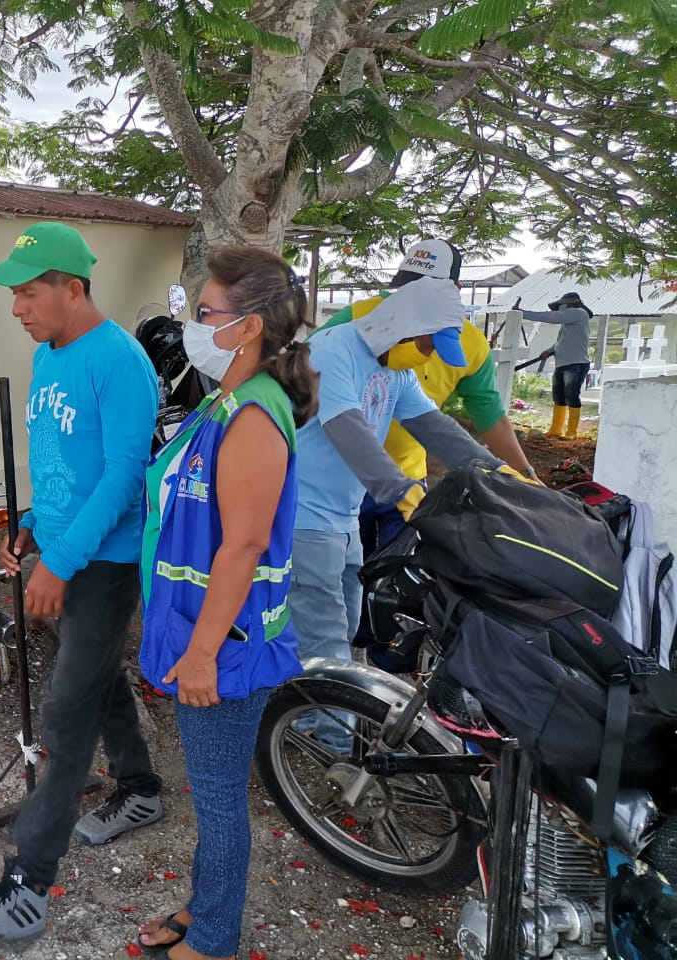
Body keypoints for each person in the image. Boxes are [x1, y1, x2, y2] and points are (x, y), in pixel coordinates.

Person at [0, 223, 163, 946]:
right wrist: (33, 524)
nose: (17, 308)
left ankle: (27, 885)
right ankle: (141, 787)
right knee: (97, 678)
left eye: (29, 293)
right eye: (13, 294)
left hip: (103, 561)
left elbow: (125, 475)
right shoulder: (47, 356)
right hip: (63, 545)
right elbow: (62, 458)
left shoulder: (120, 361)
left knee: (66, 712)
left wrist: (62, 562)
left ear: (73, 288)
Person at [135, 247, 318, 960]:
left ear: (248, 327)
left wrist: (202, 653)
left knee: (217, 802)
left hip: (224, 643)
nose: (193, 325)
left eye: (204, 312)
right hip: (199, 628)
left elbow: (242, 546)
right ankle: (204, 905)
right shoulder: (226, 399)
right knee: (211, 794)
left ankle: (213, 939)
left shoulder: (253, 417)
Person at [293, 276, 529, 749]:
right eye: (426, 346)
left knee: (344, 621)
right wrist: (402, 491)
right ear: (399, 326)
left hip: (343, 513)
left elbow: (435, 427)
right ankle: (335, 745)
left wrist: (503, 475)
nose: (427, 359)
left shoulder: (395, 370)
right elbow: (347, 429)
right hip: (303, 512)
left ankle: (306, 711)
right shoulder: (332, 351)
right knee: (325, 629)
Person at [319, 239, 539, 548]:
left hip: (407, 475)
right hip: (339, 482)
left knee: (395, 569)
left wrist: (515, 475)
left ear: (453, 290)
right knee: (338, 566)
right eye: (409, 287)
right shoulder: (345, 331)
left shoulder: (454, 348)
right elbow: (336, 418)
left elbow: (453, 421)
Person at [520, 291, 594, 439]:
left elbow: (553, 317)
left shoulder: (579, 313)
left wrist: (524, 314)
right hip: (562, 363)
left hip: (576, 363)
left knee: (571, 395)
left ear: (570, 304)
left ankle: (571, 432)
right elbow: (561, 342)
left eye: (562, 306)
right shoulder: (567, 325)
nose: (560, 309)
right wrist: (549, 351)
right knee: (559, 396)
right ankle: (556, 429)